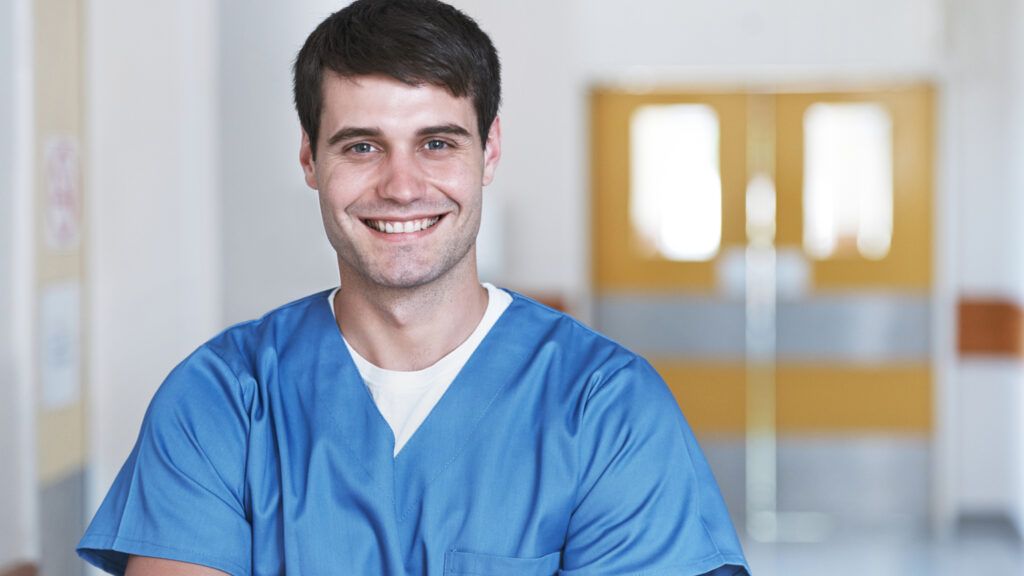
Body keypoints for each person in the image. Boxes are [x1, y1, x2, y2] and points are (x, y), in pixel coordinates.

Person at [78, 1, 750, 574]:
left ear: (488, 151)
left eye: (436, 143)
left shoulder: (607, 410)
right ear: (310, 159)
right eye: (362, 147)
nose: (402, 187)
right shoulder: (223, 401)